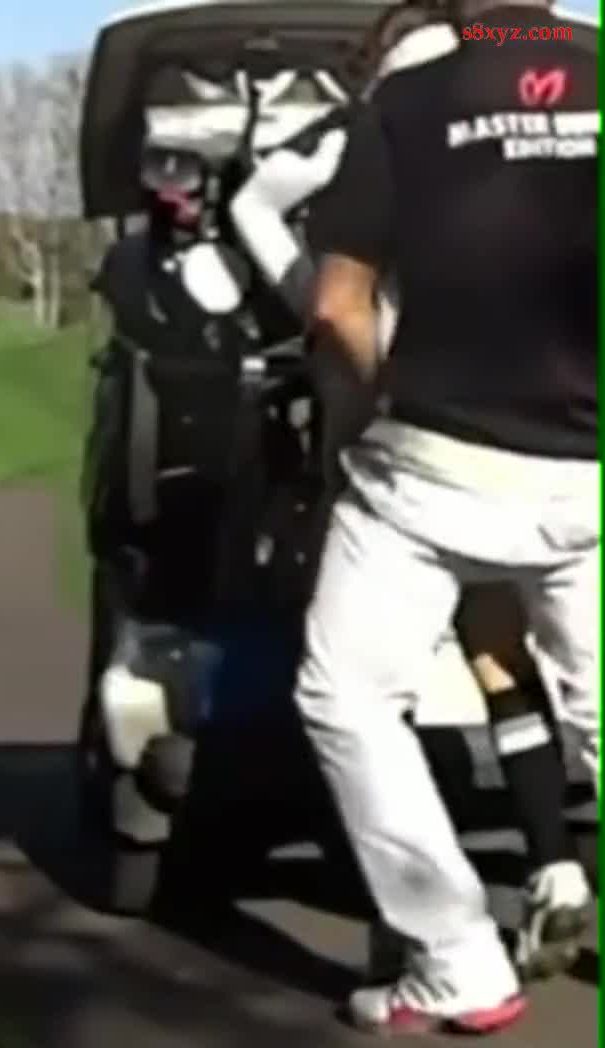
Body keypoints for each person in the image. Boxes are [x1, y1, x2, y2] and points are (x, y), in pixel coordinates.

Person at [230, 1, 591, 983]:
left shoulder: (389, 113)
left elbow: (297, 255)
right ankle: (552, 862)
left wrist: (359, 382)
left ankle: (457, 937)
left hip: (425, 436)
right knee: (535, 666)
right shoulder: (558, 79)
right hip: (569, 441)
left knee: (366, 687)